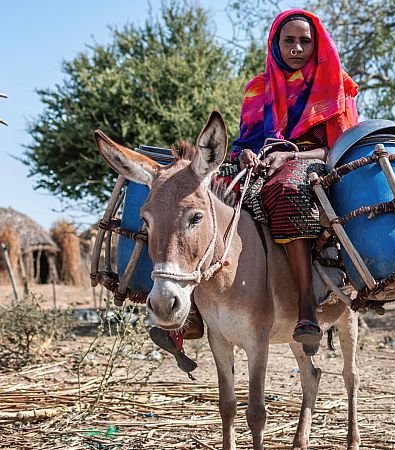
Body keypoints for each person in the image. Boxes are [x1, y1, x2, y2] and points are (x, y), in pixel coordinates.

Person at [150, 9, 359, 369]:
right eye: (288, 40)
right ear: (275, 44)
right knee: (192, 196)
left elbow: (339, 146)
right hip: (259, 163)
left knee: (287, 192)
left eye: (304, 41)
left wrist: (291, 154)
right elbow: (246, 140)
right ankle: (191, 310)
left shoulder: (335, 85)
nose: (296, 48)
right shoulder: (258, 87)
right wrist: (244, 153)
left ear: (317, 44)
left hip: (312, 163)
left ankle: (306, 304)